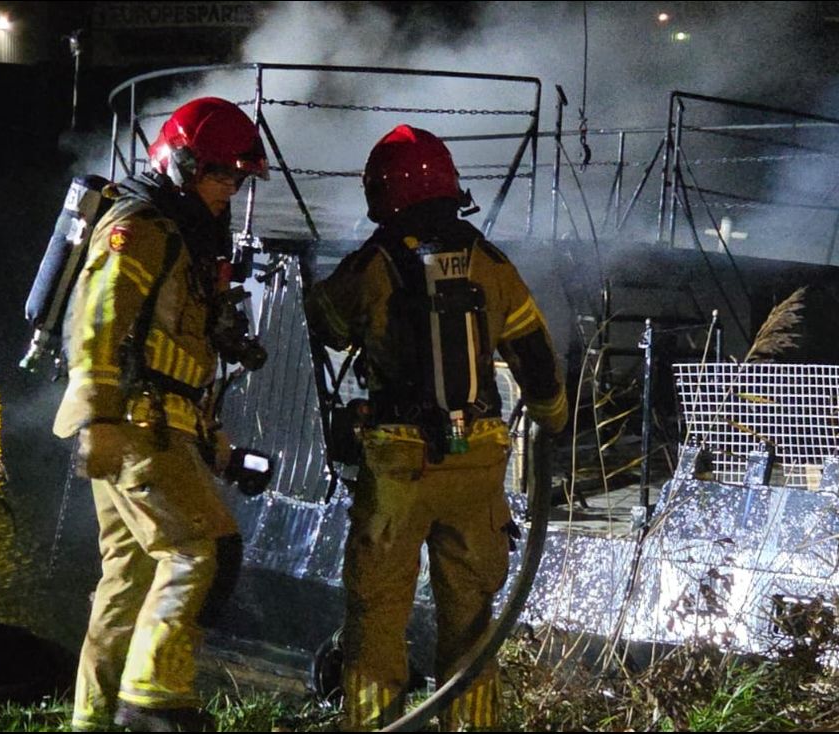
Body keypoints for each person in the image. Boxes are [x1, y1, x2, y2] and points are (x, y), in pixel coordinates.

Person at [306, 124, 568, 730]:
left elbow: (326, 322)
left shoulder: (373, 264)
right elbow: (535, 356)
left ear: (382, 193)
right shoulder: (492, 263)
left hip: (400, 466)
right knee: (473, 615)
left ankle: (376, 726)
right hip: (476, 461)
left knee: (378, 611)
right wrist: (553, 418)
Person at [52, 96, 268, 732]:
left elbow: (180, 362)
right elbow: (99, 317)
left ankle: (93, 719)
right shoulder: (141, 226)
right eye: (222, 175)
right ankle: (153, 704)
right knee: (201, 550)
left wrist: (221, 450)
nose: (230, 191)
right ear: (182, 162)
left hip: (152, 422)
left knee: (128, 577)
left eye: (237, 178)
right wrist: (97, 418)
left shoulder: (181, 237)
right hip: (132, 425)